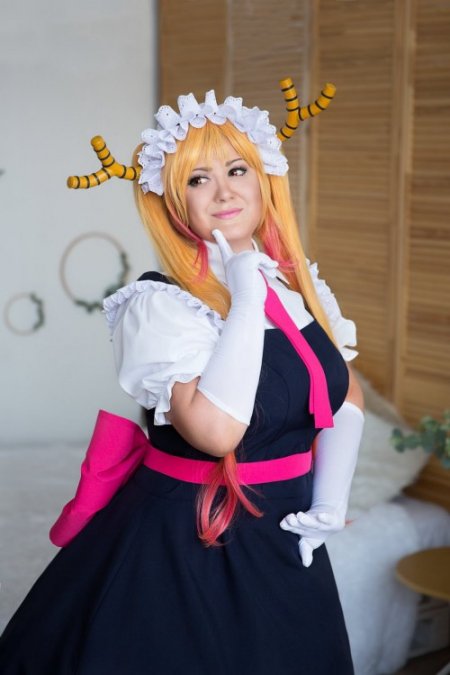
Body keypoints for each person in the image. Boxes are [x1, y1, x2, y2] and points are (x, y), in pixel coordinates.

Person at [0, 85, 365, 674]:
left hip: (286, 535)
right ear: (175, 203)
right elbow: (217, 433)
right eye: (198, 179)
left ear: (264, 180)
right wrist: (244, 300)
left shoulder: (299, 287)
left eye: (237, 170)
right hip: (189, 541)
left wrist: (330, 498)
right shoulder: (160, 305)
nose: (224, 191)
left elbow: (344, 392)